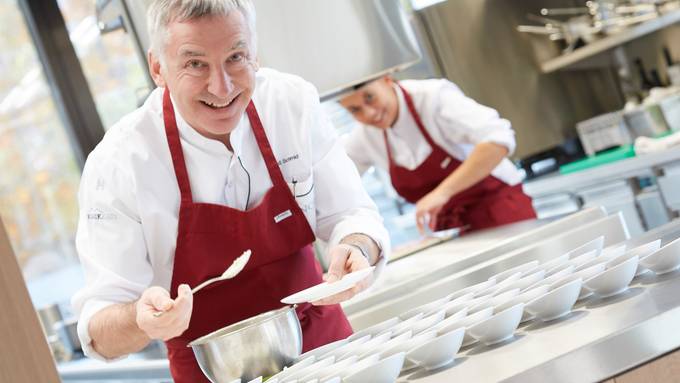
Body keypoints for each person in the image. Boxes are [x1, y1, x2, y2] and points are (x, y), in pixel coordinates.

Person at [71, 1, 389, 381]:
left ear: (255, 54)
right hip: (213, 372)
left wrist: (357, 248)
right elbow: (99, 330)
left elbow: (353, 215)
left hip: (329, 354)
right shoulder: (119, 163)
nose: (221, 87)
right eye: (195, 63)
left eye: (236, 57)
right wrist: (141, 320)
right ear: (158, 67)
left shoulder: (289, 104)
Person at [340, 76, 537, 234]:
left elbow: (498, 139)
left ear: (387, 80)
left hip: (501, 211)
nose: (369, 114)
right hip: (450, 230)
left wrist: (442, 193)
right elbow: (336, 181)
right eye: (355, 110)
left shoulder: (433, 97)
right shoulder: (364, 137)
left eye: (370, 97)